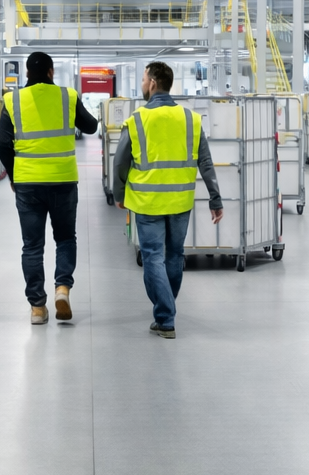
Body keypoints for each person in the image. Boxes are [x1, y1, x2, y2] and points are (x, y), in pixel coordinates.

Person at [112, 62, 224, 339]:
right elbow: (206, 162)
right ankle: (167, 306)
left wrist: (118, 193)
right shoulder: (191, 119)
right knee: (174, 256)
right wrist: (215, 199)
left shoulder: (137, 119)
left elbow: (120, 163)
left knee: (153, 257)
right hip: (180, 201)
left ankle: (165, 317)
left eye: (142, 78)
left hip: (147, 201)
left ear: (152, 82)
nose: (141, 84)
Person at [0, 52, 100, 325]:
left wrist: (14, 176)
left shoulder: (12, 100)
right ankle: (62, 288)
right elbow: (91, 127)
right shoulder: (67, 96)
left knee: (32, 246)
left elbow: (2, 142)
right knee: (65, 238)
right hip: (64, 180)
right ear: (52, 72)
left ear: (27, 73)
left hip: (28, 182)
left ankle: (37, 308)